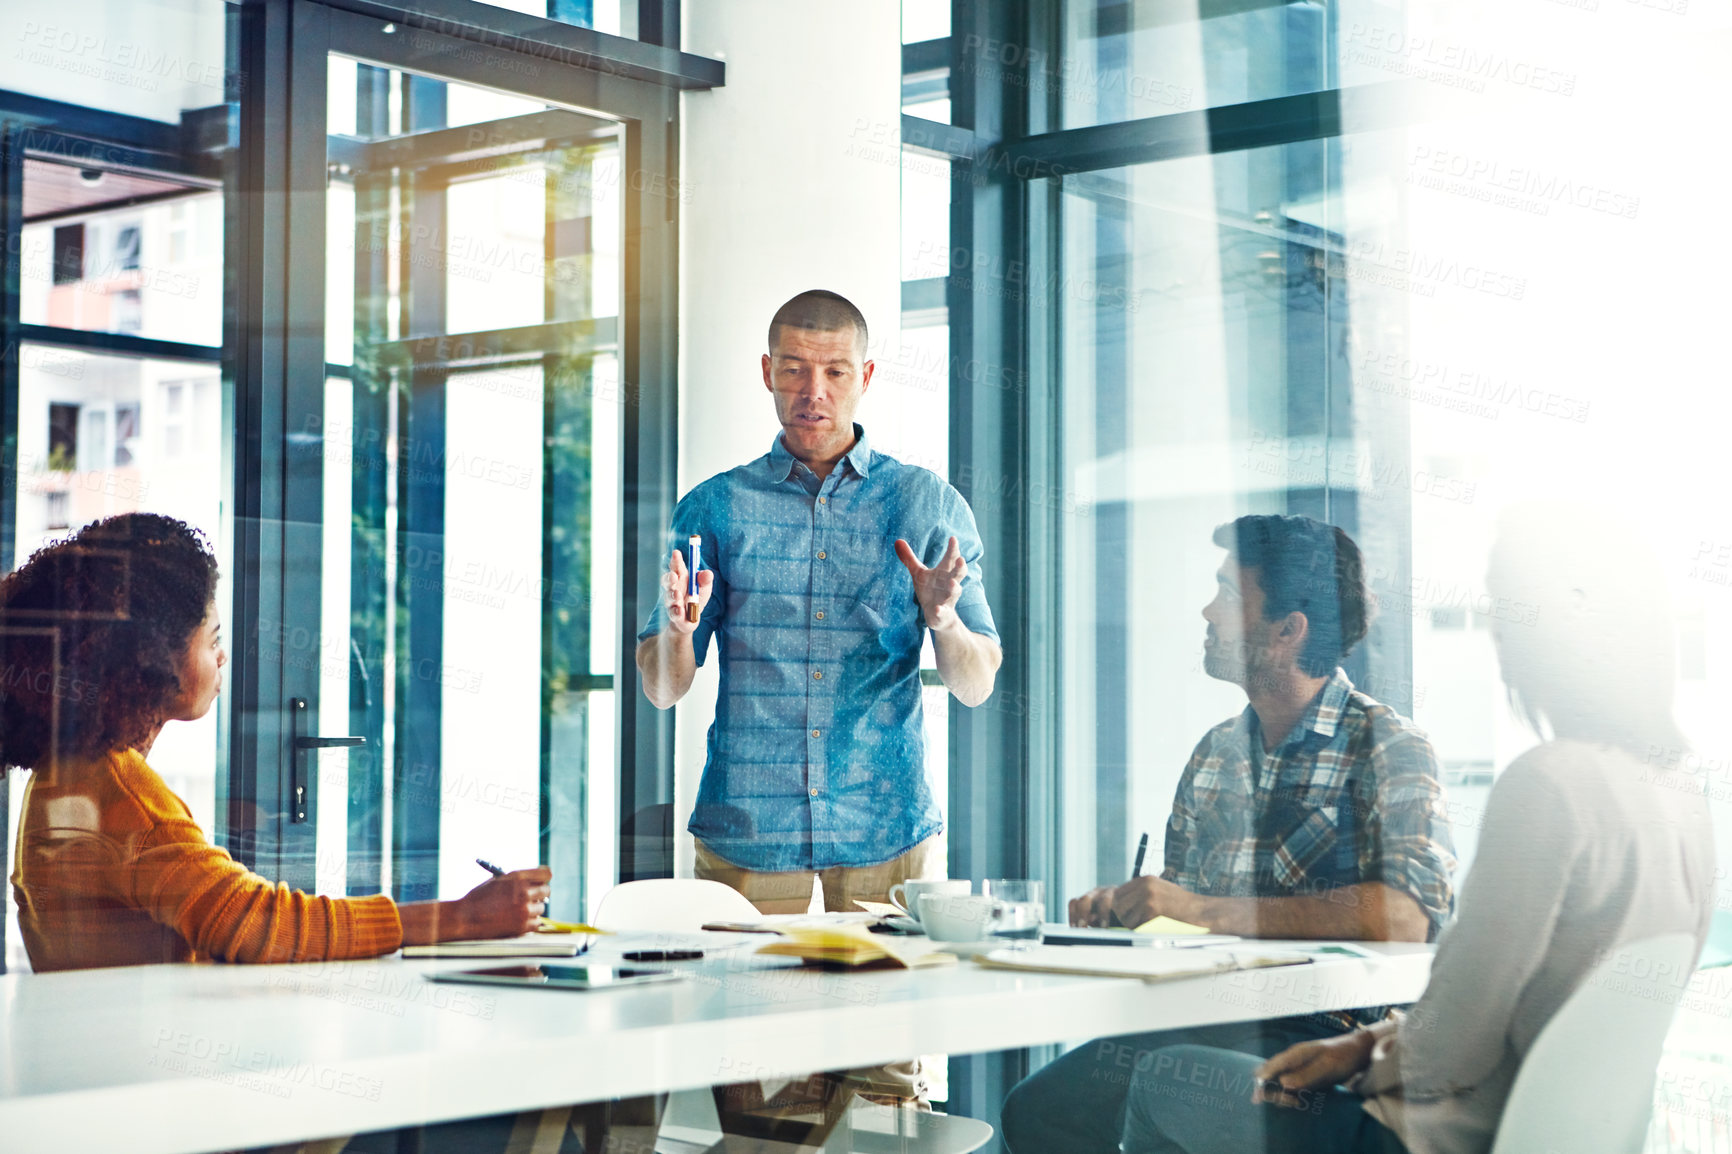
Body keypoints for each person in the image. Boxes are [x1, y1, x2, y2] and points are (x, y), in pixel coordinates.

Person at [1115, 502, 1717, 1154]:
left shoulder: (1547, 785)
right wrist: (1359, 1047)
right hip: (1555, 1137)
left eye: (1507, 608)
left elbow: (1455, 1037)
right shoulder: (1684, 797)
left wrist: (1363, 1061)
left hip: (1422, 1137)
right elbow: (1489, 1013)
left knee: (1157, 1085)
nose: (1498, 633)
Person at [634, 289, 1001, 1104]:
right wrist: (679, 631)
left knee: (881, 1090)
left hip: (884, 828)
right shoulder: (715, 506)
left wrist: (942, 619)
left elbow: (977, 682)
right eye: (795, 369)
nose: (814, 392)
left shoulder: (924, 502)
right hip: (748, 828)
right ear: (766, 371)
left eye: (835, 371)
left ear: (865, 376)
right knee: (753, 1088)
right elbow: (663, 690)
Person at [1002, 514, 1457, 1153]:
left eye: (1228, 594)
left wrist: (1199, 908)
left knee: (1151, 1091)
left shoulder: (1389, 746)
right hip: (1201, 1013)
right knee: (1041, 1110)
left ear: (1288, 630)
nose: (1207, 610)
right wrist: (1134, 908)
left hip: (1325, 1031)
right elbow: (1184, 914)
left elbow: (1410, 918)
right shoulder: (1214, 754)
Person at [1, 513, 550, 972]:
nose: (222, 658)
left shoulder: (69, 771)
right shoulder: (124, 792)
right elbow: (261, 925)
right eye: (212, 639)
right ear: (149, 659)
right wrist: (463, 917)